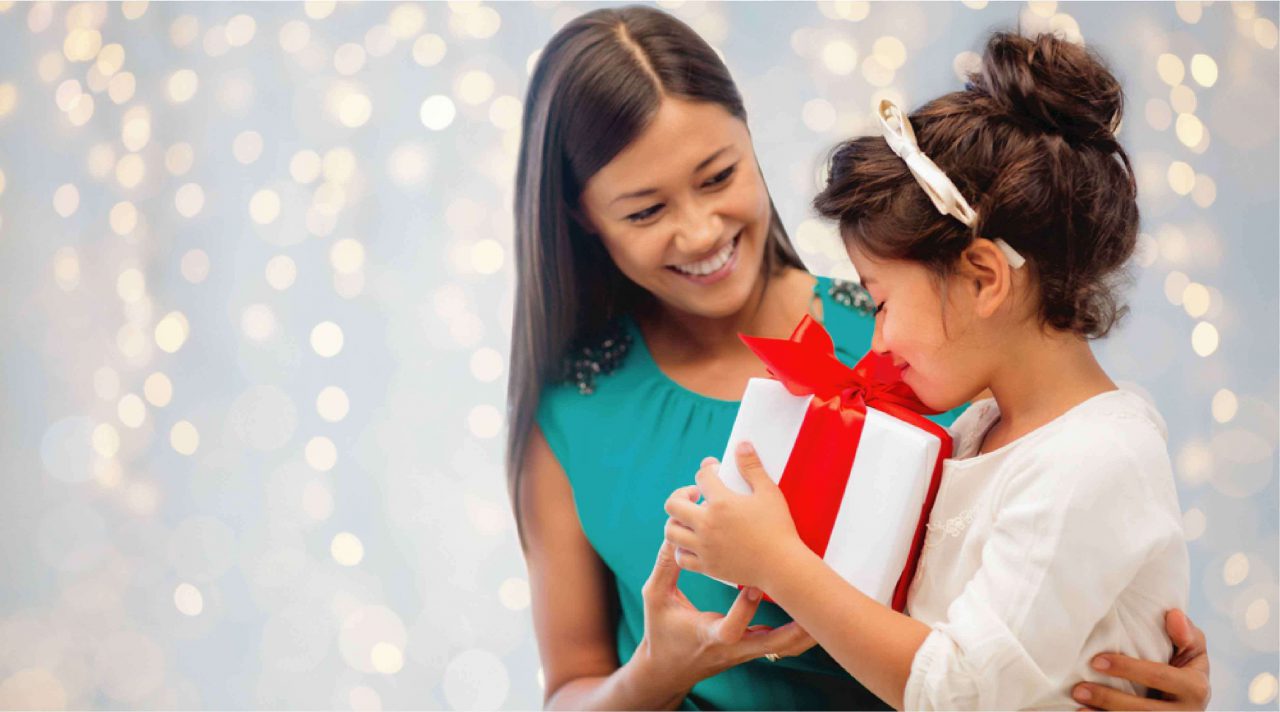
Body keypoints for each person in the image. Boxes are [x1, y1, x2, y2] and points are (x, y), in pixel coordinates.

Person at [507, 6, 1211, 709]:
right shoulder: (575, 411)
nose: (698, 232)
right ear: (582, 217)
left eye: (719, 176)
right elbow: (571, 683)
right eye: (644, 211)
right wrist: (658, 671)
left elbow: (1032, 610)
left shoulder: (936, 352)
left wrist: (1136, 656)